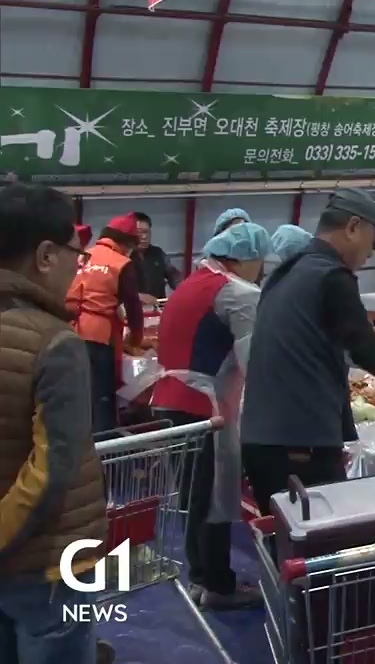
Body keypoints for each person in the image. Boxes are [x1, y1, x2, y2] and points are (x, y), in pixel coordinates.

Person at [238, 189, 375, 517]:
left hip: (263, 439)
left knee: (285, 540)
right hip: (300, 445)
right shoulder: (332, 275)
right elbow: (369, 354)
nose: (371, 254)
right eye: (373, 242)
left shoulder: (290, 271)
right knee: (322, 540)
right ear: (353, 227)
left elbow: (351, 332)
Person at [0, 183, 114, 664]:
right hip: (48, 564)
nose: (78, 266)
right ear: (46, 256)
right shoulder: (55, 343)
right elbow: (51, 471)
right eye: (76, 253)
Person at [153, 222, 271, 611]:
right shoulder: (238, 293)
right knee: (214, 498)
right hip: (204, 406)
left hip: (169, 399)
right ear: (246, 258)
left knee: (193, 497)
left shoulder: (193, 282)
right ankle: (219, 585)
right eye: (261, 260)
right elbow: (257, 363)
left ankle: (201, 577)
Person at [66, 212, 147, 432]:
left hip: (72, 331)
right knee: (102, 396)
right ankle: (104, 443)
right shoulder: (121, 263)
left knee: (81, 392)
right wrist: (136, 339)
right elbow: (133, 306)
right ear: (127, 242)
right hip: (101, 335)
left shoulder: (85, 255)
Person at [131, 211, 183, 303]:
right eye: (140, 232)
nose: (144, 236)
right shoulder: (122, 256)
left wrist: (184, 288)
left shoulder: (158, 253)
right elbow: (113, 288)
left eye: (147, 232)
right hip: (132, 308)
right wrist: (138, 296)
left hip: (158, 306)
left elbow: (174, 276)